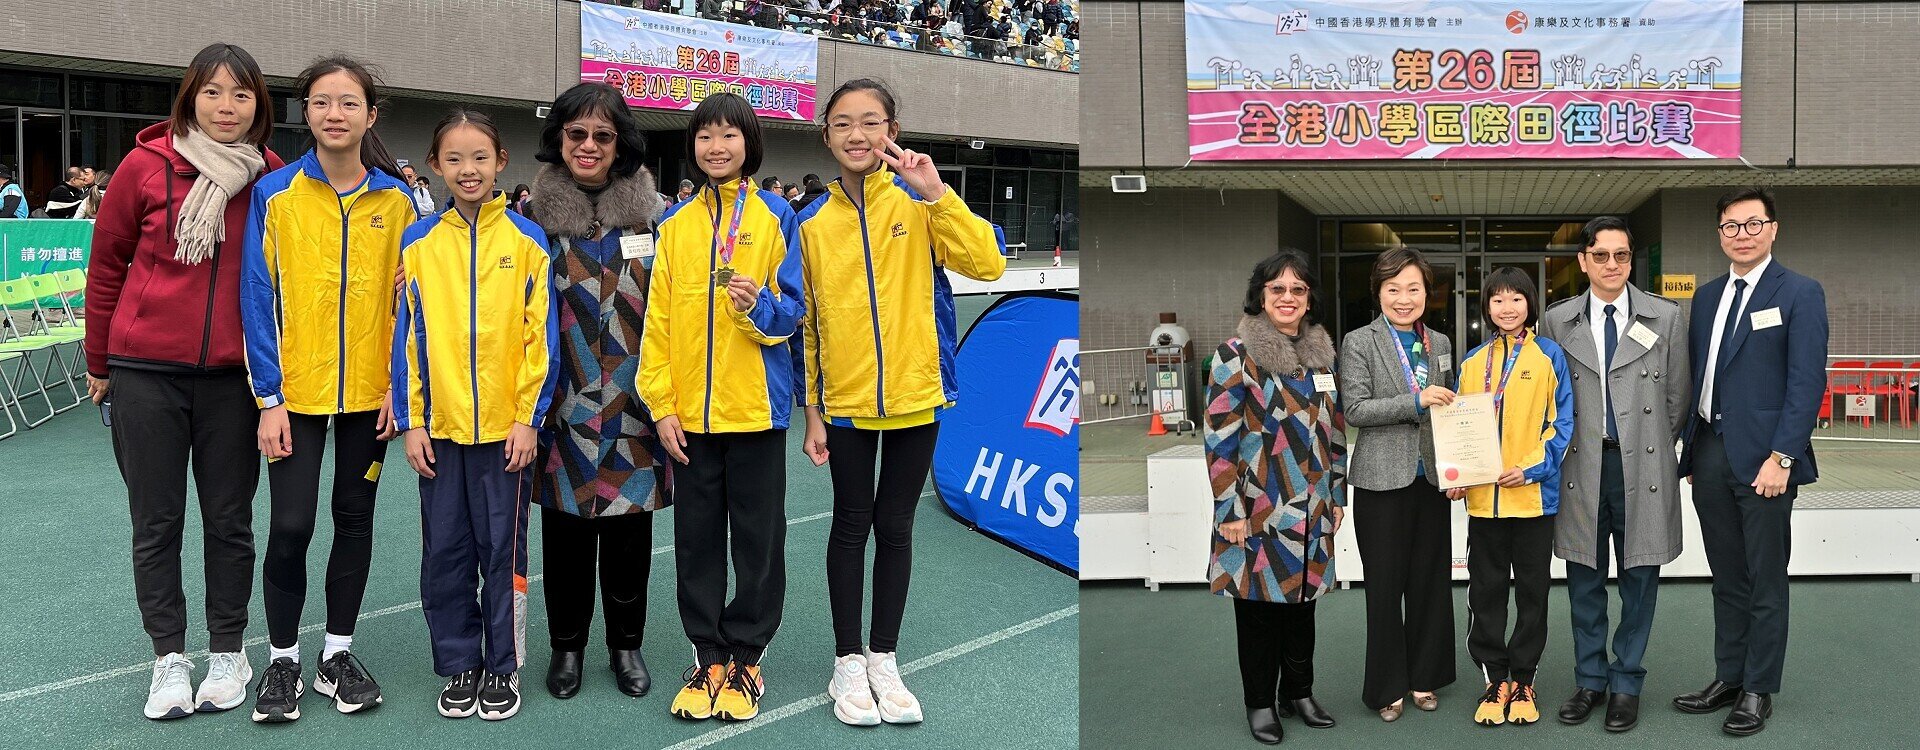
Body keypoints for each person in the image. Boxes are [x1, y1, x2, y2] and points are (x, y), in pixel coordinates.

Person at [794, 79, 1005, 727]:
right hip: (850, 402)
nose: (857, 135)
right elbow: (807, 325)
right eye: (843, 124)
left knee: (898, 527)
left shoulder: (919, 204)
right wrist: (813, 409)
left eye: (871, 122)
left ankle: (884, 657)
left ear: (891, 130)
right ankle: (846, 662)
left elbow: (988, 266)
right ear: (826, 136)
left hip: (917, 394)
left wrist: (937, 194)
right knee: (851, 524)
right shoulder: (809, 224)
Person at [85, 42, 284, 721]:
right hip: (145, 373)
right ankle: (168, 656)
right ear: (189, 98)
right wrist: (99, 362)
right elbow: (107, 269)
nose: (226, 107)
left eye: (241, 95)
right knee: (156, 521)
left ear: (259, 105)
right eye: (213, 92)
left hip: (235, 380)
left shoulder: (272, 178)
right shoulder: (144, 167)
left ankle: (228, 650)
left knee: (230, 522)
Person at [237, 55, 413, 724]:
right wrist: (270, 399)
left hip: (372, 395)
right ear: (304, 112)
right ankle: (283, 660)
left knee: (354, 517)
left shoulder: (397, 200)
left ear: (371, 116)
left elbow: (411, 306)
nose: (333, 114)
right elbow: (258, 295)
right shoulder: (274, 193)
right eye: (320, 102)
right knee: (290, 524)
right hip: (297, 396)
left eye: (347, 103)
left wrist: (400, 388)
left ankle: (337, 653)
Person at [642, 92, 804, 723]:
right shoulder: (675, 226)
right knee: (696, 540)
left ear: (749, 143)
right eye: (705, 136)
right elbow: (656, 326)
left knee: (760, 540)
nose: (716, 147)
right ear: (693, 147)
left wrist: (757, 304)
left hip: (757, 410)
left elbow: (794, 312)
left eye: (728, 135)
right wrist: (661, 405)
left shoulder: (776, 217)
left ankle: (747, 655)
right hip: (691, 417)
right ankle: (707, 652)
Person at [392, 108, 556, 722]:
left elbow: (540, 339)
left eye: (479, 157)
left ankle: (502, 666)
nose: (468, 169)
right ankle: (458, 664)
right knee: (445, 552)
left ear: (500, 163)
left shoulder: (526, 240)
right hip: (440, 432)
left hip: (505, 436)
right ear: (435, 166)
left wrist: (527, 420)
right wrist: (412, 421)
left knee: (503, 551)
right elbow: (407, 337)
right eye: (454, 158)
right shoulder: (420, 241)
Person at [525, 81, 671, 702]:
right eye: (577, 134)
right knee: (564, 537)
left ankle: (625, 643)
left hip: (636, 411)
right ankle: (566, 648)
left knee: (630, 537)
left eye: (603, 136)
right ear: (559, 141)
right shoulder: (530, 226)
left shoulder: (654, 224)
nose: (589, 146)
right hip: (558, 410)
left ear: (622, 147)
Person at [1673, 187, 1827, 737]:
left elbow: (1806, 384)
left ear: (1773, 229)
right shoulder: (1708, 297)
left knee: (1765, 578)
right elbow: (1699, 376)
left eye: (1752, 223)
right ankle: (1729, 676)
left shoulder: (1800, 293)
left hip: (1767, 460)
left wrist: (1783, 456)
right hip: (1710, 453)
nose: (1742, 233)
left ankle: (1759, 688)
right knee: (1726, 577)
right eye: (1731, 226)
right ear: (1720, 234)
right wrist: (1692, 450)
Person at [1537, 216, 1690, 733]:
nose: (1611, 265)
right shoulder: (1558, 321)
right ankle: (1589, 679)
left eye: (1621, 255)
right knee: (1584, 577)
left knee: (1640, 577)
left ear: (1631, 260)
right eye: (1600, 255)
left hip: (1642, 463)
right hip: (1580, 462)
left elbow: (1677, 399)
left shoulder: (1664, 317)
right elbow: (1549, 397)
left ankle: (1627, 680)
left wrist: (1645, 447)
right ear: (1582, 261)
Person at [1204, 249, 1345, 745]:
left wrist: (1339, 493)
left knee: (1303, 604)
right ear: (1261, 296)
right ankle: (1261, 702)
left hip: (1314, 507)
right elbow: (1219, 439)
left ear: (1309, 300)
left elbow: (1335, 430)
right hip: (1258, 508)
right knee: (1259, 610)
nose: (1288, 298)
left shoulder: (1321, 357)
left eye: (1298, 289)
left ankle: (1299, 692)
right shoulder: (1234, 356)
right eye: (1277, 289)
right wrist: (1229, 510)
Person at [1336, 247, 1457, 722]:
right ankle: (1387, 686)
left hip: (1431, 479)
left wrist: (1459, 467)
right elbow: (1356, 410)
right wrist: (1416, 398)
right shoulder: (1359, 341)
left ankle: (1425, 677)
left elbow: (1447, 411)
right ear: (1378, 292)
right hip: (1379, 481)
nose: (1404, 299)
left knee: (1430, 583)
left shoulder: (1441, 343)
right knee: (1384, 589)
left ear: (1428, 292)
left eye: (1413, 288)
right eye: (1393, 289)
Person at [1447, 267, 1572, 727]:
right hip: (1483, 502)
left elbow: (1562, 426)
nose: (1506, 307)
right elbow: (1458, 428)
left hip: (1534, 499)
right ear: (1487, 307)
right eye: (1497, 300)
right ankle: (1493, 678)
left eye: (1516, 299)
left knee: (1534, 594)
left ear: (1530, 304)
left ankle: (1524, 679)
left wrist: (1531, 469)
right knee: (1486, 592)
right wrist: (1455, 476)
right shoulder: (1472, 362)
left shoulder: (1550, 356)